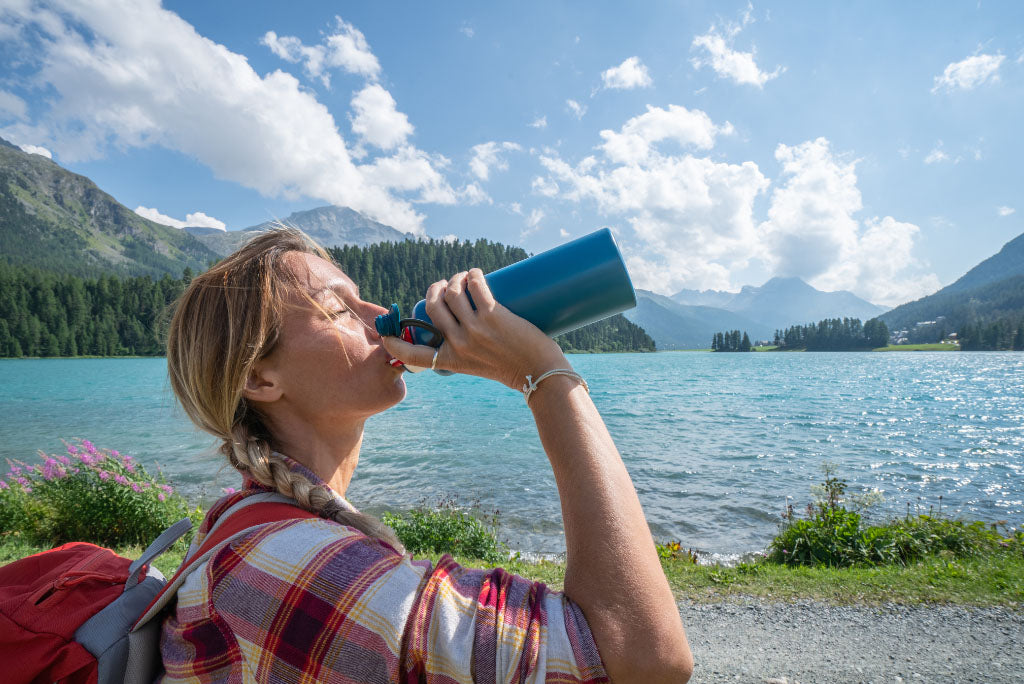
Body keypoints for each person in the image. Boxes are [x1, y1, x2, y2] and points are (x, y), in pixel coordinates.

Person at [163, 228, 692, 683]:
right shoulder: (297, 565)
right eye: (337, 310)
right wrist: (544, 376)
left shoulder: (255, 528)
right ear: (259, 377)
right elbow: (643, 659)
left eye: (363, 298)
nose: (378, 317)